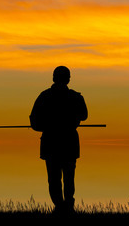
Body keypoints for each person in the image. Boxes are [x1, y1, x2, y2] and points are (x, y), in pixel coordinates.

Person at [30, 66, 88, 213]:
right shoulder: (76, 97)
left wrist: (47, 125)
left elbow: (34, 122)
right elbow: (84, 115)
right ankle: (67, 206)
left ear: (54, 78)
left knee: (54, 178)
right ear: (68, 79)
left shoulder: (44, 96)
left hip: (51, 143)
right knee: (68, 177)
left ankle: (61, 207)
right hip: (68, 143)